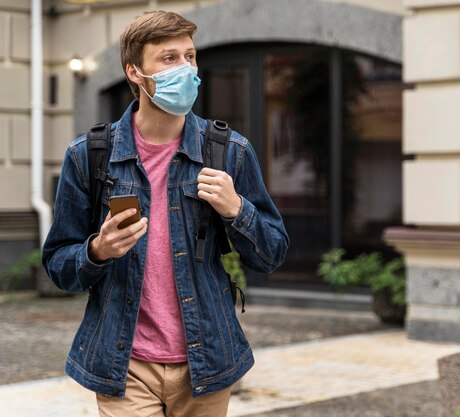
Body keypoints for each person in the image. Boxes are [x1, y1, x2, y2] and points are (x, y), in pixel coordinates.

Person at [42, 10, 289, 417]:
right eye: (169, 58)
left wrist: (237, 210)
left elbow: (271, 253)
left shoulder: (229, 152)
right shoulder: (89, 155)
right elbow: (58, 264)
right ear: (135, 72)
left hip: (207, 360)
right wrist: (98, 250)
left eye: (190, 57)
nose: (187, 68)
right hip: (125, 362)